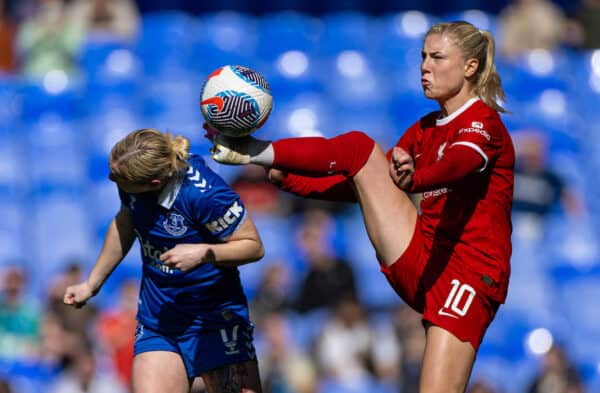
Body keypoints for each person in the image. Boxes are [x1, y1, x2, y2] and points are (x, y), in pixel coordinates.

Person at [208, 21, 514, 393]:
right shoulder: (424, 129)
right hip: (423, 256)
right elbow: (360, 184)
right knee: (361, 154)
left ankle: (254, 148)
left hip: (469, 274)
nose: (424, 67)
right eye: (422, 57)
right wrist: (285, 178)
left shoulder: (483, 122)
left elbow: (459, 164)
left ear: (469, 67)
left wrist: (415, 179)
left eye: (437, 57)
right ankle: (258, 153)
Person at [63, 128, 265, 393]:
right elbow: (126, 221)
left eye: (118, 177)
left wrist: (204, 252)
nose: (112, 178)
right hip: (159, 319)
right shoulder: (131, 181)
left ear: (154, 184)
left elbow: (254, 247)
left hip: (215, 320)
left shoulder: (206, 195)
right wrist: (92, 284)